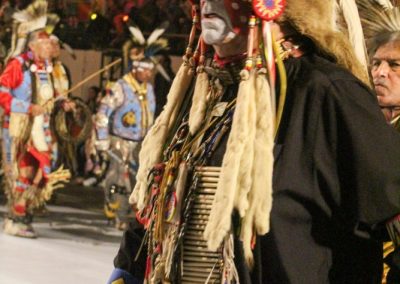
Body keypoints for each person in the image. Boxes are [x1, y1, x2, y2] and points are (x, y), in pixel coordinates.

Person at [108, 0, 400, 283]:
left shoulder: (327, 94)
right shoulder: (205, 94)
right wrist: (126, 273)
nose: (207, 4)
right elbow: (154, 208)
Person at [0, 0, 71, 238]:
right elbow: (2, 92)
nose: (51, 45)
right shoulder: (18, 64)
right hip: (20, 129)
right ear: (32, 43)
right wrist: (27, 108)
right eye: (45, 41)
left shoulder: (49, 67)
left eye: (51, 41)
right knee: (24, 173)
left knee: (41, 174)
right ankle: (16, 217)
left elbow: (50, 95)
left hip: (42, 130)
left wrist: (64, 103)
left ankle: (24, 212)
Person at [94, 25, 167, 230]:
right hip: (120, 141)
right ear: (136, 68)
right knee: (118, 178)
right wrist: (102, 140)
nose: (149, 73)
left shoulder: (149, 89)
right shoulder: (120, 86)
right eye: (146, 70)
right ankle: (118, 213)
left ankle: (133, 215)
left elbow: (150, 116)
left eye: (151, 70)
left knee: (138, 180)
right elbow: (102, 113)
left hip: (141, 143)